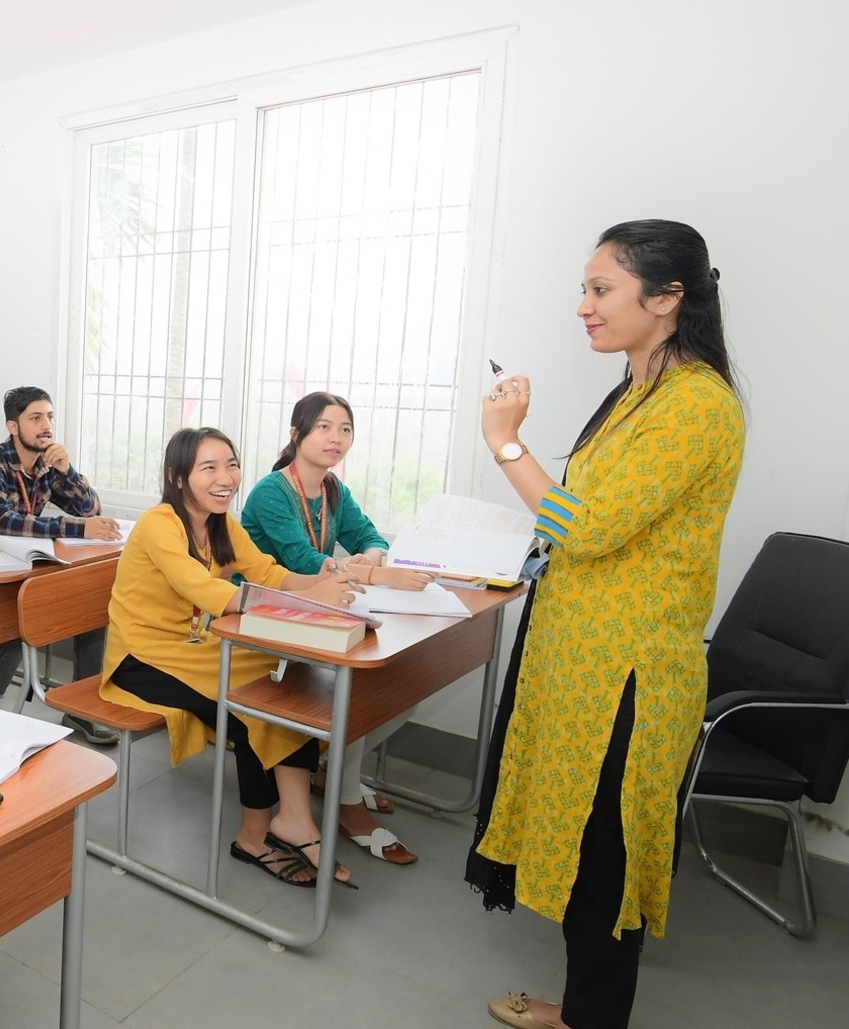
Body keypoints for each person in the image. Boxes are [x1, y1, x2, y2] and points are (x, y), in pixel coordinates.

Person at [468, 221, 743, 1029]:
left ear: (666, 299)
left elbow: (586, 528)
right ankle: (580, 1008)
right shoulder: (637, 391)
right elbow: (588, 516)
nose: (582, 306)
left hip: (629, 674)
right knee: (588, 852)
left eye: (601, 289)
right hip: (581, 660)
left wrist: (505, 440)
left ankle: (590, 1018)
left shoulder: (696, 405)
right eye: (584, 289)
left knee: (606, 861)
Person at [99, 427, 364, 888]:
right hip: (142, 657)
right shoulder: (160, 523)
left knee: (286, 685)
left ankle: (293, 822)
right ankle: (257, 836)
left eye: (231, 464)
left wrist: (321, 584)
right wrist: (312, 598)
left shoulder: (221, 520)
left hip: (194, 646)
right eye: (209, 468)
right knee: (249, 709)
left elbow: (267, 573)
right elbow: (204, 589)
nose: (226, 478)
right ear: (177, 477)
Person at [241, 390, 434, 865]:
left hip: (312, 608)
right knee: (363, 681)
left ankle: (331, 773)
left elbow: (368, 535)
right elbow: (302, 562)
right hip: (262, 614)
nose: (336, 438)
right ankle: (345, 801)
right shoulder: (272, 490)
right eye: (324, 427)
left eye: (345, 429)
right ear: (296, 434)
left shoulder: (332, 489)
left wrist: (368, 555)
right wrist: (373, 573)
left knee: (401, 682)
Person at [0, 386, 120, 745]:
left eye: (50, 417)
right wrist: (77, 528)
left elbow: (88, 509)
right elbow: (2, 521)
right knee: (27, 605)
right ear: (13, 426)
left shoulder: (47, 463)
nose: (46, 425)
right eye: (35, 418)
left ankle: (81, 709)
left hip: (30, 565)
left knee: (90, 600)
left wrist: (67, 470)